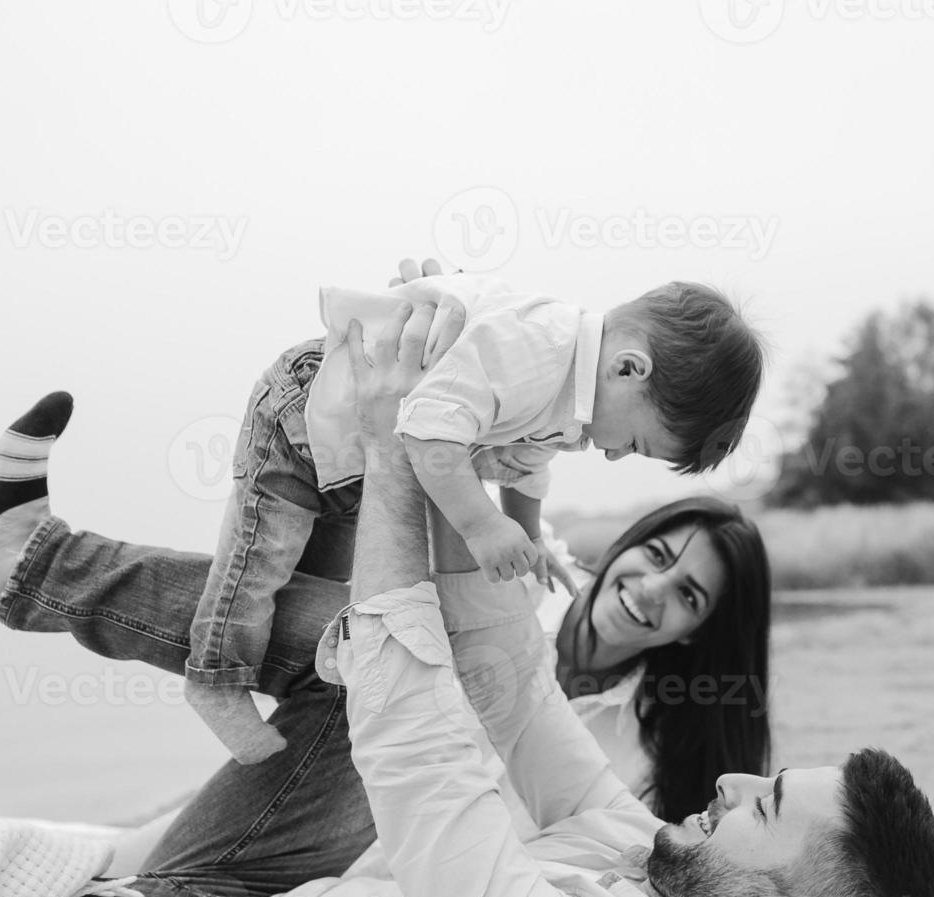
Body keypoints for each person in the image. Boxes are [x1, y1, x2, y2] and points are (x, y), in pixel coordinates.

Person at [0, 268, 774, 897]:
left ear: (699, 633)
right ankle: (33, 573)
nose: (654, 590)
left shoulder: (652, 771)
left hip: (376, 848)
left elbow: (489, 823)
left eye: (690, 597)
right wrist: (444, 350)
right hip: (339, 767)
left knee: (366, 637)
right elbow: (470, 490)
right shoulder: (533, 564)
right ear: (627, 541)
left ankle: (33, 568)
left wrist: (435, 434)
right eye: (658, 556)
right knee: (352, 627)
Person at [196, 305, 934, 897]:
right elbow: (518, 689)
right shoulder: (651, 852)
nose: (736, 780)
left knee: (298, 627)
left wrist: (392, 445)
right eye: (769, 784)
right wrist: (441, 434)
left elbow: (422, 765)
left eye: (765, 809)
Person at [184, 266, 765, 762]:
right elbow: (431, 433)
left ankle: (285, 687)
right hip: (304, 420)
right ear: (629, 370)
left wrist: (527, 534)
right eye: (634, 443)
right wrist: (482, 525)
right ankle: (214, 679)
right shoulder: (536, 350)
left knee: (318, 587)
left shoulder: (568, 394)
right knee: (255, 564)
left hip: (348, 464)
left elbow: (527, 465)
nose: (613, 454)